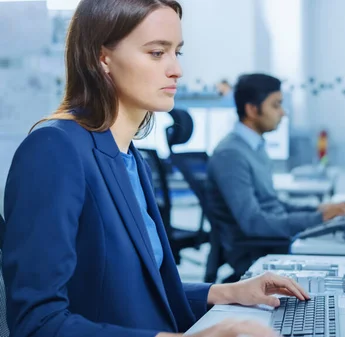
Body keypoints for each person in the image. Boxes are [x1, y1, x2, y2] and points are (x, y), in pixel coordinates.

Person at [0, 1, 308, 337]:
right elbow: (37, 324)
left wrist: (229, 292)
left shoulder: (130, 157)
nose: (177, 70)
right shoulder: (53, 150)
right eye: (157, 53)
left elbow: (139, 295)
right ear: (102, 58)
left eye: (177, 52)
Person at [206, 73, 345, 278]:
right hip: (259, 251)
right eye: (276, 105)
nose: (282, 113)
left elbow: (272, 203)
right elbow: (253, 222)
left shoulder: (254, 146)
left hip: (274, 241)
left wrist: (318, 210)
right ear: (252, 109)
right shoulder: (231, 154)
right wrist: (317, 218)